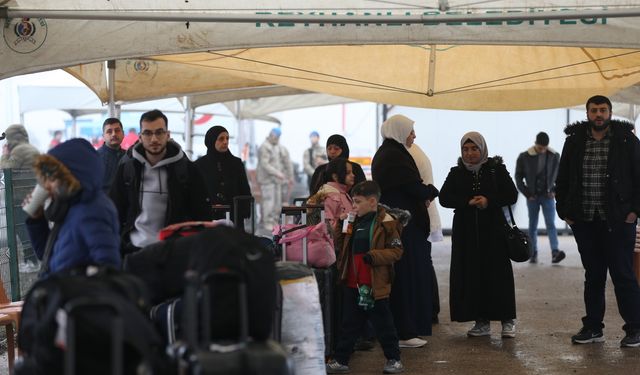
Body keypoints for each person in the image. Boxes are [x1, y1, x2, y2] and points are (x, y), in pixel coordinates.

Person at [555, 95, 640, 347]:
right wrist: (565, 211)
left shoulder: (627, 140)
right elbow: (563, 179)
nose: (599, 114)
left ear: (610, 112)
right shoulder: (574, 142)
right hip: (585, 220)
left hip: (619, 220)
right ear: (588, 113)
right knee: (593, 276)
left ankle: (635, 328)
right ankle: (593, 327)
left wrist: (634, 211)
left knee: (623, 275)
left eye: (603, 110)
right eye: (594, 110)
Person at [439, 132, 519, 338]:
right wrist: (466, 202)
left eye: (474, 148)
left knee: (498, 275)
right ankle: (481, 321)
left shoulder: (496, 169)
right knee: (472, 275)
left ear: (482, 149)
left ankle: (507, 320)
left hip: (494, 232)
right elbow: (444, 197)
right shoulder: (456, 172)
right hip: (466, 233)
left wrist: (488, 201)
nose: (470, 153)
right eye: (466, 149)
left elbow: (511, 194)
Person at [371, 114, 439, 348]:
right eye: (410, 131)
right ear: (399, 131)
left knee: (408, 277)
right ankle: (405, 332)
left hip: (403, 226)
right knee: (406, 278)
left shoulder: (392, 153)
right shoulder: (393, 156)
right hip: (403, 228)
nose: (414, 135)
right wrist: (430, 191)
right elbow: (413, 187)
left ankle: (407, 329)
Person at [326, 181, 405, 374]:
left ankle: (394, 359)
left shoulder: (386, 223)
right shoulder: (353, 221)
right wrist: (342, 224)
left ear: (372, 202)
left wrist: (375, 256)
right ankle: (341, 360)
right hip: (353, 283)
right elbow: (340, 242)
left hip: (375, 285)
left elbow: (396, 251)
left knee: (384, 325)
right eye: (353, 201)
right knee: (349, 325)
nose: (353, 206)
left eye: (357, 202)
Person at [110, 109, 212, 256]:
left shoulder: (187, 170)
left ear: (168, 135)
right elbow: (115, 212)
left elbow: (202, 215)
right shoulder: (127, 170)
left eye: (159, 132)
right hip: (135, 250)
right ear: (140, 137)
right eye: (148, 133)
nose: (154, 139)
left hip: (174, 252)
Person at [23, 139, 121, 278]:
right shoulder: (71, 205)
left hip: (71, 295)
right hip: (60, 293)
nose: (47, 185)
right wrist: (37, 219)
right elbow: (47, 256)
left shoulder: (92, 211)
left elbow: (107, 268)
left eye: (52, 178)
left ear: (72, 176)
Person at [407, 142, 444, 323]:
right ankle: (431, 309)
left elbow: (415, 186)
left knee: (423, 264)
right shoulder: (414, 151)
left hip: (421, 215)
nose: (414, 135)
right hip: (424, 214)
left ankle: (429, 310)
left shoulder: (409, 153)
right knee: (425, 263)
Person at [515, 131, 564, 264]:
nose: (542, 150)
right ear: (535, 144)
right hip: (532, 196)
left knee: (551, 224)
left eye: (544, 148)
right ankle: (533, 252)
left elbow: (560, 176)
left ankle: (555, 252)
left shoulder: (554, 156)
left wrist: (554, 190)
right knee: (533, 225)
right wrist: (526, 193)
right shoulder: (524, 156)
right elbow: (518, 177)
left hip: (548, 196)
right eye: (540, 147)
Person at [195, 125, 252, 222]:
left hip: (234, 219)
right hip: (208, 219)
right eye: (221, 139)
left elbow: (244, 190)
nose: (225, 142)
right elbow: (196, 193)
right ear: (212, 141)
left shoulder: (236, 164)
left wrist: (244, 210)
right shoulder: (199, 165)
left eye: (227, 138)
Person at [256, 128, 293, 231]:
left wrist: (287, 177)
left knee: (277, 204)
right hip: (267, 181)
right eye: (275, 136)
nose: (277, 138)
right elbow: (265, 164)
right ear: (271, 135)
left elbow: (282, 163)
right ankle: (268, 223)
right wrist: (277, 173)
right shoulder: (265, 147)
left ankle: (275, 222)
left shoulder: (276, 147)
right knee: (269, 202)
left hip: (277, 180)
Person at [307, 157, 355, 232]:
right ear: (335, 177)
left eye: (352, 172)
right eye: (348, 173)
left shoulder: (342, 193)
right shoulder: (331, 195)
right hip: (333, 242)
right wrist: (344, 226)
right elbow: (328, 227)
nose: (353, 175)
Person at [97, 118, 126, 193]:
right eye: (109, 131)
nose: (114, 134)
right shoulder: (95, 158)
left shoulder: (129, 156)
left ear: (123, 133)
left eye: (117, 130)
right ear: (103, 136)